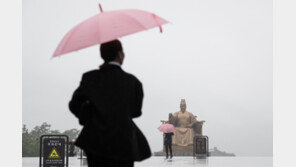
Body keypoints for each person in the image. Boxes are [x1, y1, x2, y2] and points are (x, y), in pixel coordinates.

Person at [69, 40, 151, 167]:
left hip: (95, 140)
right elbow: (136, 112)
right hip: (123, 141)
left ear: (102, 55)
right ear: (120, 54)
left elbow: (74, 104)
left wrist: (89, 117)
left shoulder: (90, 77)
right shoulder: (132, 81)